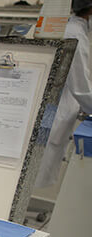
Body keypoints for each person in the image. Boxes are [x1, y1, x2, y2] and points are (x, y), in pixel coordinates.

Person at [35, 0, 92, 188]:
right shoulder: (75, 33)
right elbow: (80, 86)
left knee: (40, 164)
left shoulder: (71, 28)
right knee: (39, 167)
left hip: (55, 109)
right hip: (56, 111)